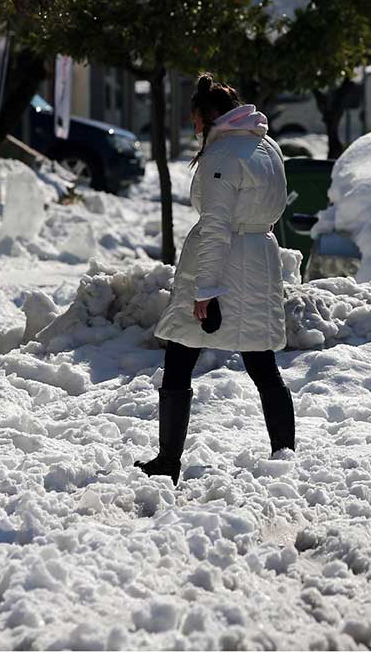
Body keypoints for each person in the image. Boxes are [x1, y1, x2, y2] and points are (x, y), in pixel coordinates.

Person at [135, 74, 295, 486]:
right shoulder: (266, 147)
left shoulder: (222, 157)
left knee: (180, 354)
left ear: (206, 117)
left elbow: (216, 225)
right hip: (259, 259)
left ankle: (169, 460)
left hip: (225, 264)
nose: (194, 129)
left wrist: (206, 289)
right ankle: (285, 456)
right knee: (262, 363)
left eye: (195, 120)